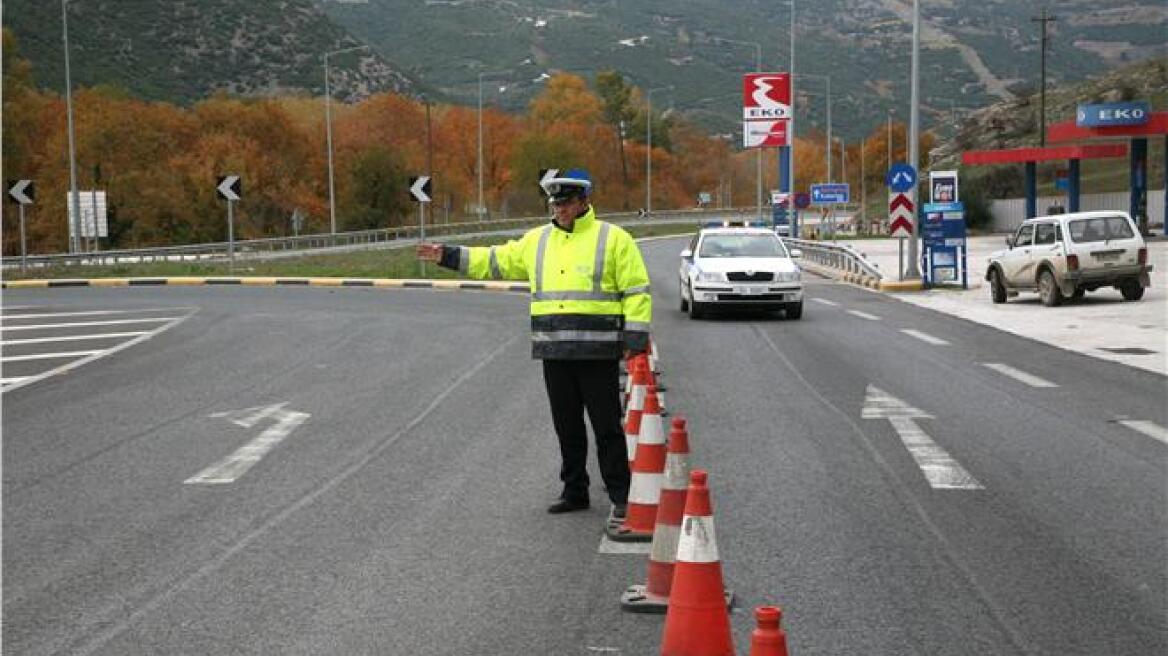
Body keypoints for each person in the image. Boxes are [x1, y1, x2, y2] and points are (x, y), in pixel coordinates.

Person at [416, 169, 652, 517]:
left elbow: (636, 289)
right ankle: (575, 491)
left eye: (566, 203)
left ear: (584, 202)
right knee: (567, 427)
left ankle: (621, 495)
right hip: (554, 350)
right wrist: (446, 255)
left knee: (606, 428)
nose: (560, 210)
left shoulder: (613, 239)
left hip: (597, 350)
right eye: (555, 204)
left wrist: (635, 336)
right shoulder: (537, 241)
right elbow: (494, 261)